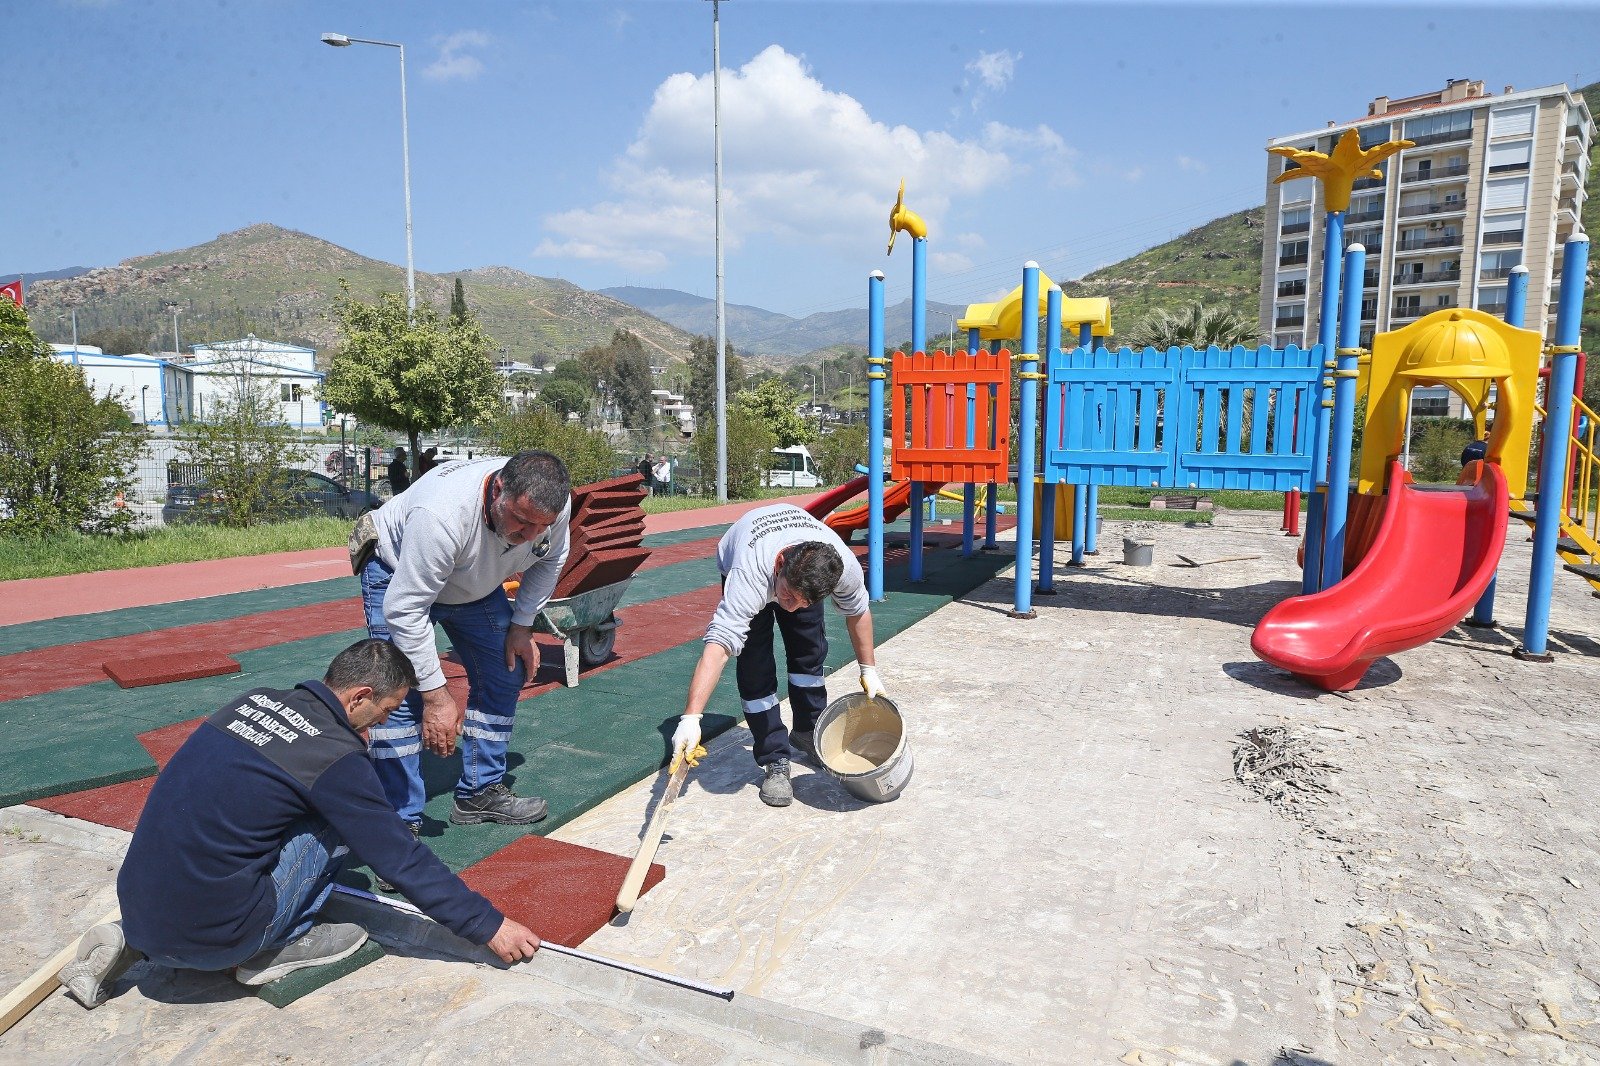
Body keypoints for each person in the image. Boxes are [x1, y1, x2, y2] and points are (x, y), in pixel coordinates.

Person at [60, 639, 541, 1008]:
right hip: (220, 942)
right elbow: (398, 856)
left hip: (138, 908)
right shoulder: (334, 757)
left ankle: (142, 939)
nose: (380, 727)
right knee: (337, 825)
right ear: (359, 697)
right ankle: (278, 944)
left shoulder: (250, 702)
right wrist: (486, 924)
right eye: (387, 711)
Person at [356, 450, 571, 834]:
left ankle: (479, 791)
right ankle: (397, 824)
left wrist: (522, 626)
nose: (532, 536)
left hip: (471, 580)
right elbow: (406, 610)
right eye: (521, 522)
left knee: (507, 669)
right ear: (499, 490)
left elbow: (551, 559)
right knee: (399, 696)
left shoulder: (551, 504)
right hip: (397, 572)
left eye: (543, 526)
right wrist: (437, 697)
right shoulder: (441, 515)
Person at [669, 503, 886, 807]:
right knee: (754, 664)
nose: (792, 607)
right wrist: (691, 718)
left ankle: (808, 731)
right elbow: (719, 646)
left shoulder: (840, 568)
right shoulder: (749, 574)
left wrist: (869, 670)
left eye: (803, 602)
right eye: (788, 596)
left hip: (794, 566)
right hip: (747, 555)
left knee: (809, 653)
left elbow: (858, 612)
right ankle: (774, 757)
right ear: (780, 564)